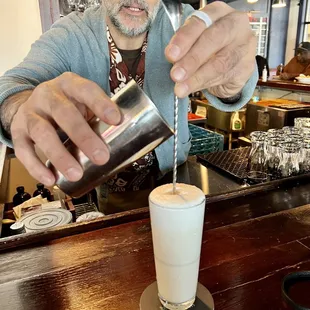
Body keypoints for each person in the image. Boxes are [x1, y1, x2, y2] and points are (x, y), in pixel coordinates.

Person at [0, 1, 258, 214]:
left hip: (174, 182)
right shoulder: (71, 33)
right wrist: (19, 107)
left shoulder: (183, 24)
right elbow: (13, 86)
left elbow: (236, 75)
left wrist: (232, 82)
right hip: (93, 197)